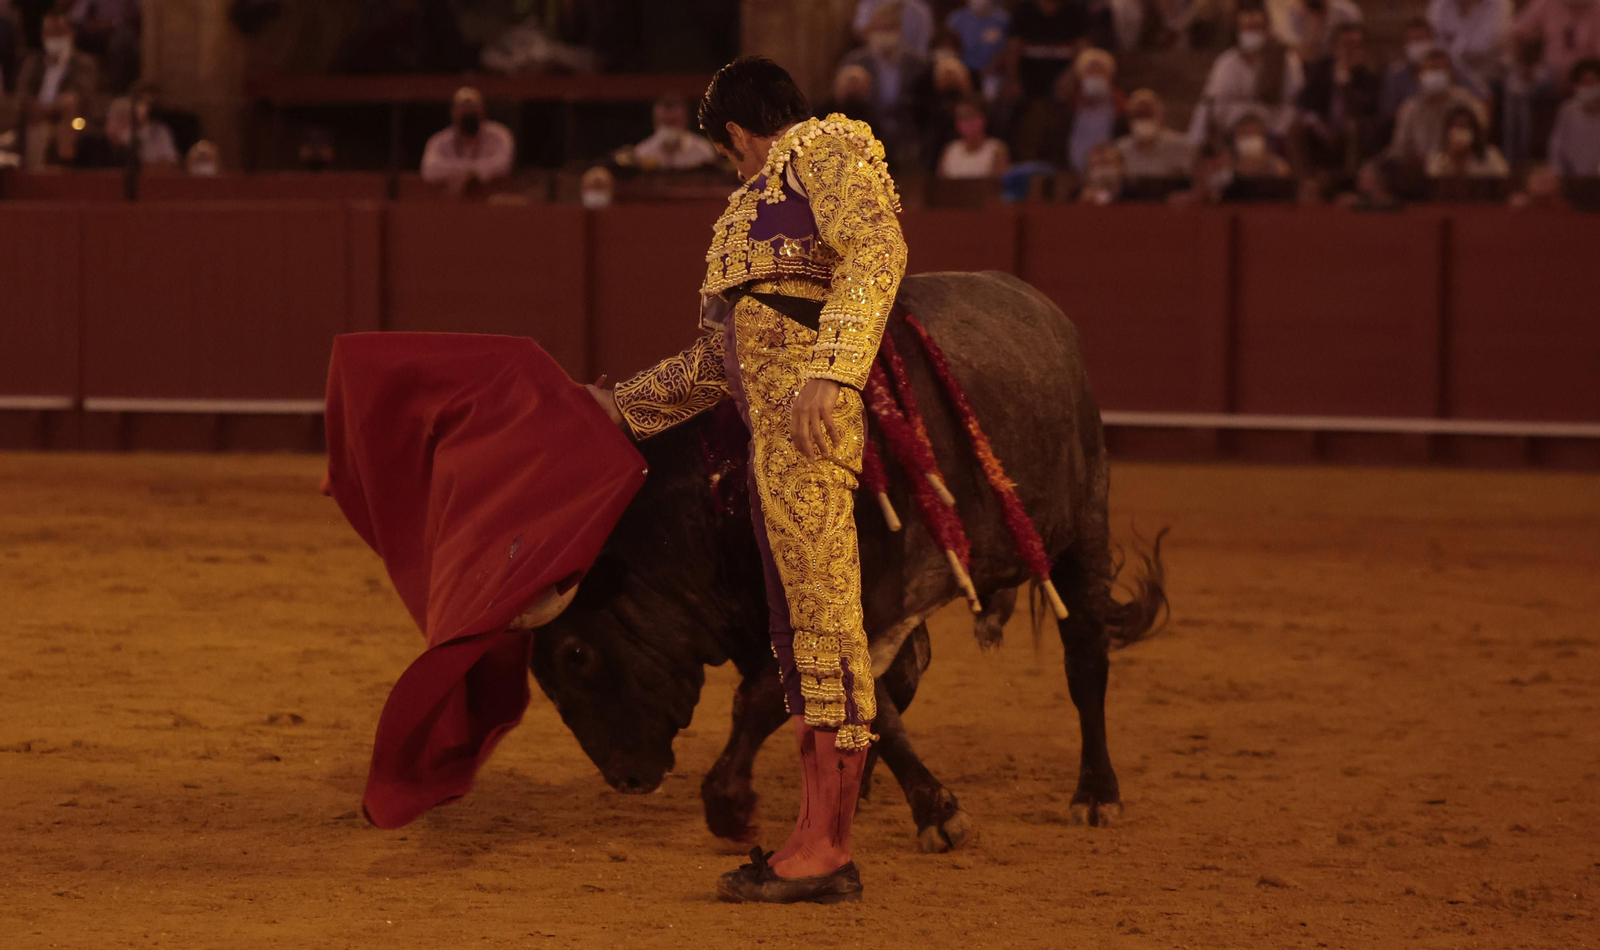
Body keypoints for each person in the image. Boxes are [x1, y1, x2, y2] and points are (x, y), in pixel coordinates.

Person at [587, 57, 906, 905]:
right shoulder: (748, 214)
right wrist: (620, 408)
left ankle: (831, 849)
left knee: (828, 629)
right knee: (797, 636)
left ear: (735, 133)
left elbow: (877, 249)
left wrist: (833, 374)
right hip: (774, 446)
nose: (733, 167)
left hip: (810, 429)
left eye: (727, 151)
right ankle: (810, 839)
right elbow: (712, 364)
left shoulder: (823, 147)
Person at [1188, 3, 1304, 146]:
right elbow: (1211, 104)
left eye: (1256, 28)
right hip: (1233, 131)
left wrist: (1266, 127)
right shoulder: (1227, 62)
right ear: (1238, 29)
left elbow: (1294, 101)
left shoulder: (1285, 59)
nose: (1251, 33)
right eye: (1247, 28)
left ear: (1266, 28)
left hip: (1273, 130)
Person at [840, 3, 927, 168]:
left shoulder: (915, 63)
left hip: (907, 136)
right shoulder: (855, 62)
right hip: (868, 134)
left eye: (889, 29)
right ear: (870, 32)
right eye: (879, 30)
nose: (884, 35)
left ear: (898, 30)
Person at [1295, 22, 1379, 180]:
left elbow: (1367, 110)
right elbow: (1304, 101)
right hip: (1322, 131)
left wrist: (1346, 85)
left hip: (1351, 136)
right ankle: (1304, 183)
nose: (1350, 51)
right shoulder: (1323, 68)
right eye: (1346, 45)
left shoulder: (1369, 75)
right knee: (1295, 127)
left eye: (1356, 46)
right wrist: (1315, 121)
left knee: (1354, 128)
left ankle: (1348, 183)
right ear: (1335, 48)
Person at [16, 11, 98, 167]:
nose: (55, 38)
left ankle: (64, 164)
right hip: (36, 115)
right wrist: (37, 107)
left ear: (70, 34)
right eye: (50, 33)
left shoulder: (83, 63)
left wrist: (53, 108)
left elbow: (81, 93)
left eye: (59, 32)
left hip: (71, 117)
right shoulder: (33, 62)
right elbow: (23, 92)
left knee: (69, 104)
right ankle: (34, 174)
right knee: (32, 114)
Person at [1387, 47, 1487, 168]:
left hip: (1459, 171)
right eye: (1430, 69)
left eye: (1438, 69)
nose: (1434, 74)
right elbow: (1399, 150)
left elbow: (1481, 137)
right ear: (1419, 76)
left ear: (1450, 73)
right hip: (1421, 173)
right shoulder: (1410, 108)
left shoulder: (1466, 102)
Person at [421, 87, 516, 197]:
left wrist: (470, 174)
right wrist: (465, 173)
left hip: (491, 199)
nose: (468, 112)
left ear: (483, 111)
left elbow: (504, 165)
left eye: (473, 108)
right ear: (453, 113)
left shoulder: (499, 135)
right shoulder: (439, 140)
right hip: (451, 200)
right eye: (464, 108)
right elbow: (428, 169)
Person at [1005, 0, 1092, 105]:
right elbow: (1013, 48)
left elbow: (1083, 49)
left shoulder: (1076, 10)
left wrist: (1071, 76)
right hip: (1028, 74)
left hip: (1064, 74)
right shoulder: (1023, 10)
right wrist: (1013, 79)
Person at [1428, 0, 1512, 100]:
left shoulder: (1498, 3)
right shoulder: (1440, 4)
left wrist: (1454, 40)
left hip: (1485, 66)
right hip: (1446, 66)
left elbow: (1484, 44)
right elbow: (1433, 41)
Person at [1513, 0, 1600, 94]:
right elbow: (1518, 33)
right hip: (1550, 82)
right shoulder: (1546, 3)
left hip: (1589, 86)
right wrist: (1526, 66)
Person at [1115, 88, 1196, 178]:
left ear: (1162, 112)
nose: (1142, 106)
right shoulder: (1120, 149)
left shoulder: (1182, 146)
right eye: (1139, 113)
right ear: (1129, 115)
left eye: (1148, 110)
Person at [1380, 17, 1446, 122]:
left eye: (1422, 39)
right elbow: (1388, 112)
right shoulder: (1395, 75)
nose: (1418, 44)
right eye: (1415, 40)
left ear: (1432, 41)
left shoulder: (1447, 68)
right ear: (1406, 44)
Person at [633, 96, 719, 170]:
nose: (670, 128)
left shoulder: (704, 152)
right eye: (666, 122)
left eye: (674, 121)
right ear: (655, 120)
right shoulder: (642, 152)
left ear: (686, 118)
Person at [947, 0, 1010, 98]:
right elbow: (948, 46)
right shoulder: (956, 18)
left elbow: (1007, 49)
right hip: (961, 70)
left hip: (990, 73)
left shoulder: (1002, 20)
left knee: (990, 92)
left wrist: (990, 69)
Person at [1426, 103, 1509, 176]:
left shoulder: (1490, 156)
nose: (1460, 132)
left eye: (1465, 127)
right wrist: (1451, 158)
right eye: (1457, 126)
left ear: (1474, 132)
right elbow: (1432, 182)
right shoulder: (1438, 159)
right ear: (1447, 131)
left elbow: (1503, 178)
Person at [1548, 57, 1600, 174]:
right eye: (1585, 83)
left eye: (1594, 82)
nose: (1590, 88)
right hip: (1572, 176)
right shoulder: (1567, 111)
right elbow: (1556, 147)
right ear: (1576, 85)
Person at [938, 94, 1009, 177]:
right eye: (961, 117)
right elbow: (940, 184)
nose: (967, 121)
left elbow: (999, 185)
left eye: (971, 115)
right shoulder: (950, 150)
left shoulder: (996, 149)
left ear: (984, 118)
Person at [1281, 0, 1363, 63]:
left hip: (1341, 65)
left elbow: (1357, 48)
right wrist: (1313, 26)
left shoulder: (1347, 12)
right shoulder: (1294, 15)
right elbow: (1304, 57)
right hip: (1312, 69)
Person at [854, 0, 935, 58]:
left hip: (909, 62)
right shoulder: (869, 3)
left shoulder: (920, 10)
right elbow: (860, 30)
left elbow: (923, 46)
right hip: (874, 56)